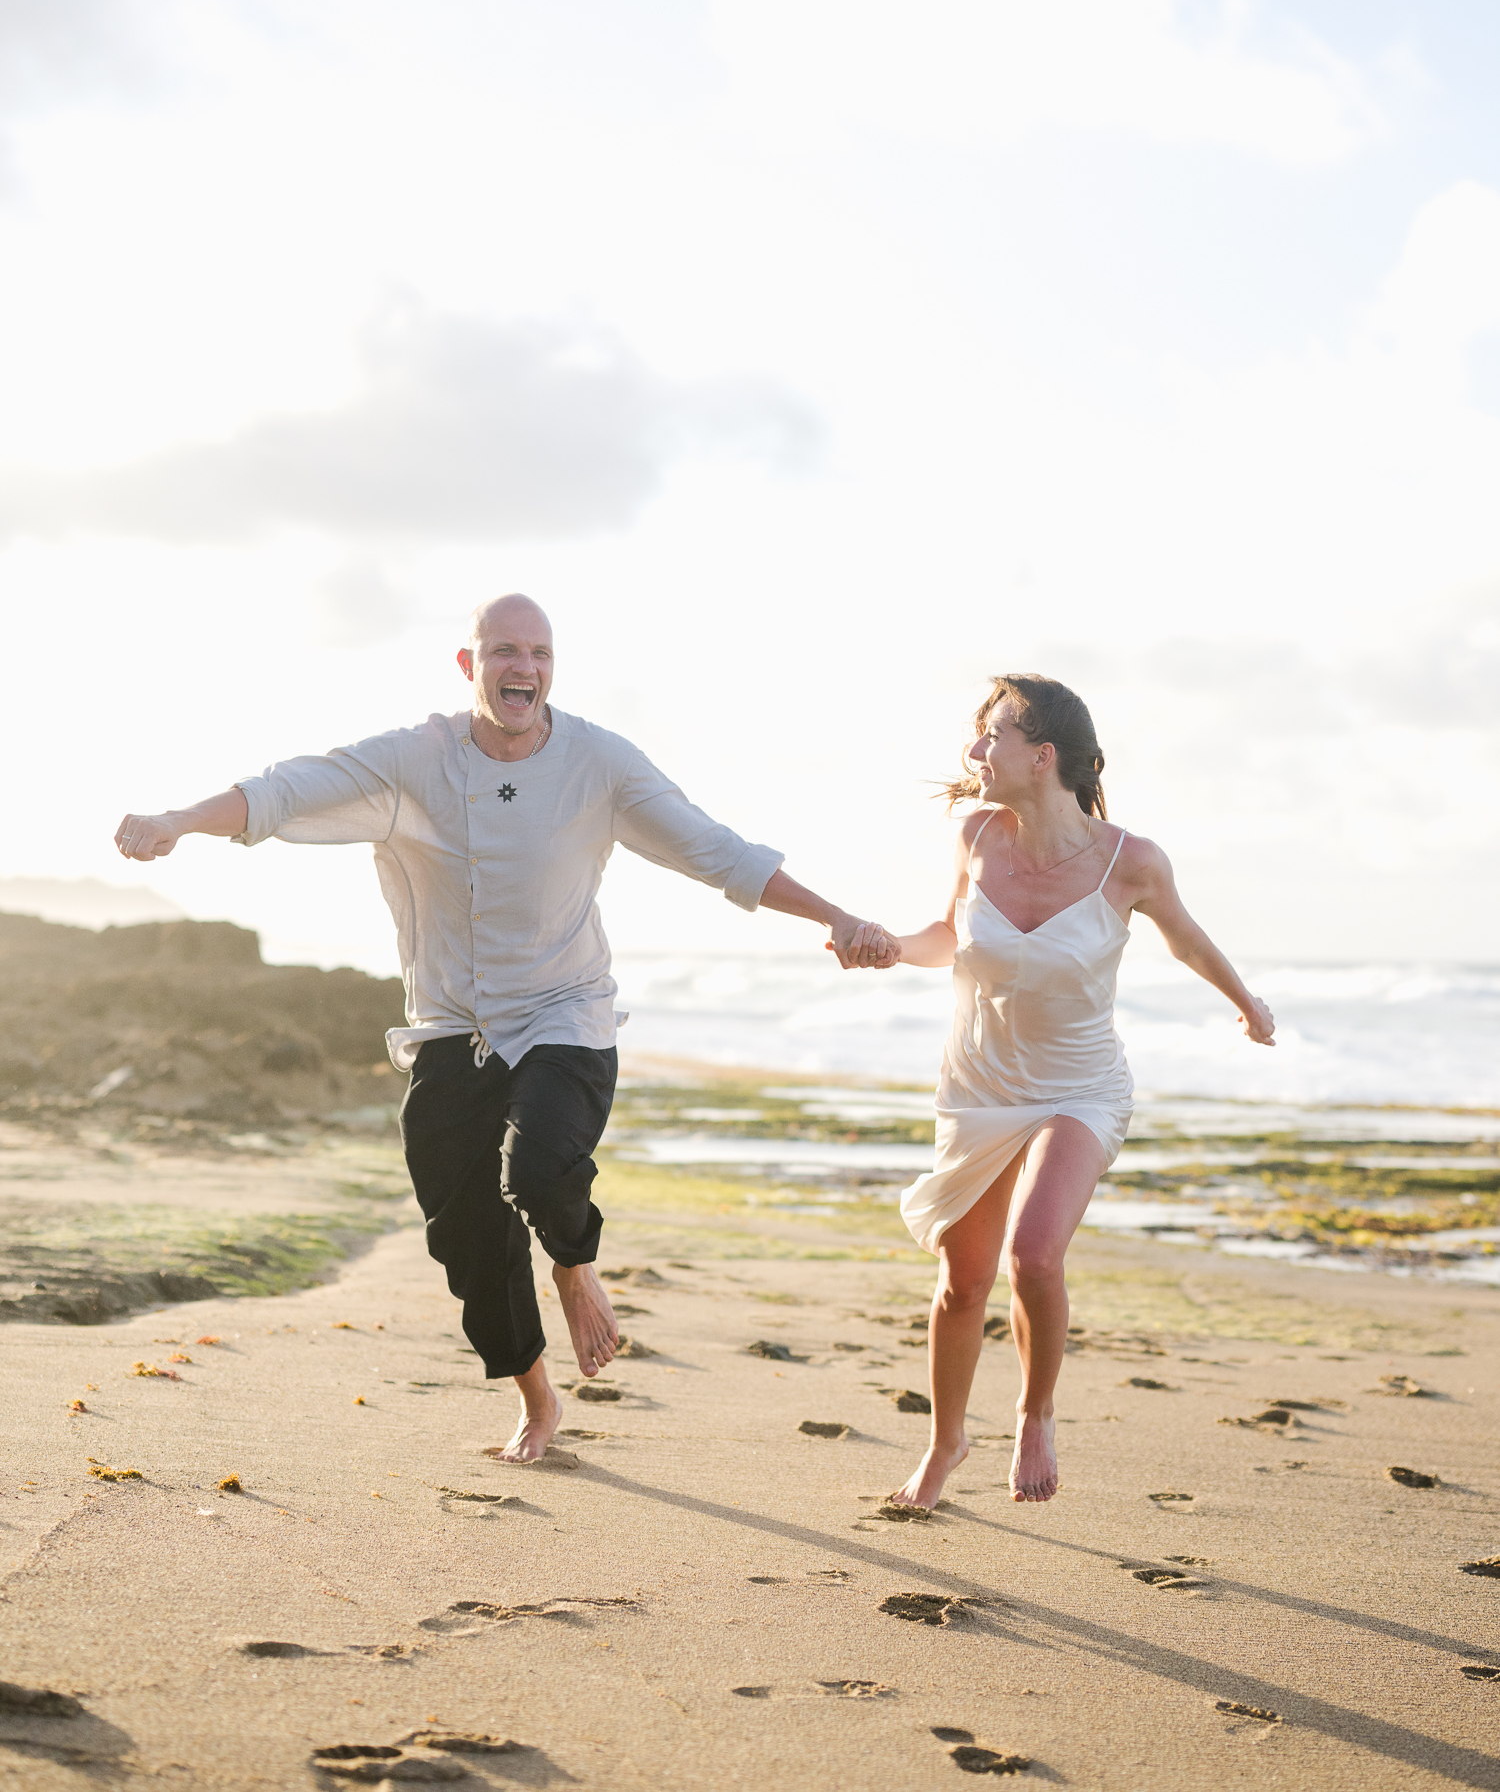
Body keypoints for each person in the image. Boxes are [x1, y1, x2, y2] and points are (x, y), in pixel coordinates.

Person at [114, 592, 897, 1463]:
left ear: (553, 668)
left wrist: (835, 917)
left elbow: (715, 850)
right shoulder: (414, 758)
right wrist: (180, 820)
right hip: (450, 1027)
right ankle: (536, 1400)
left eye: (541, 653)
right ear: (469, 664)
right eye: (505, 651)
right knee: (467, 1236)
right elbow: (288, 789)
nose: (524, 668)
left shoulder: (599, 761)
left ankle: (574, 1264)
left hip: (565, 1013)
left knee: (537, 1169)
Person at [882, 673, 1274, 1512]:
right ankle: (947, 1443)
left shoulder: (1129, 861)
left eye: (992, 737)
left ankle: (1034, 1413)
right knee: (963, 1281)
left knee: (1033, 1255)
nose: (975, 752)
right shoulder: (978, 833)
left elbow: (1187, 939)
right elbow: (949, 937)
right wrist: (885, 946)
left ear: (1042, 756)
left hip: (1079, 1088)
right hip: (980, 1084)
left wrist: (1245, 1002)